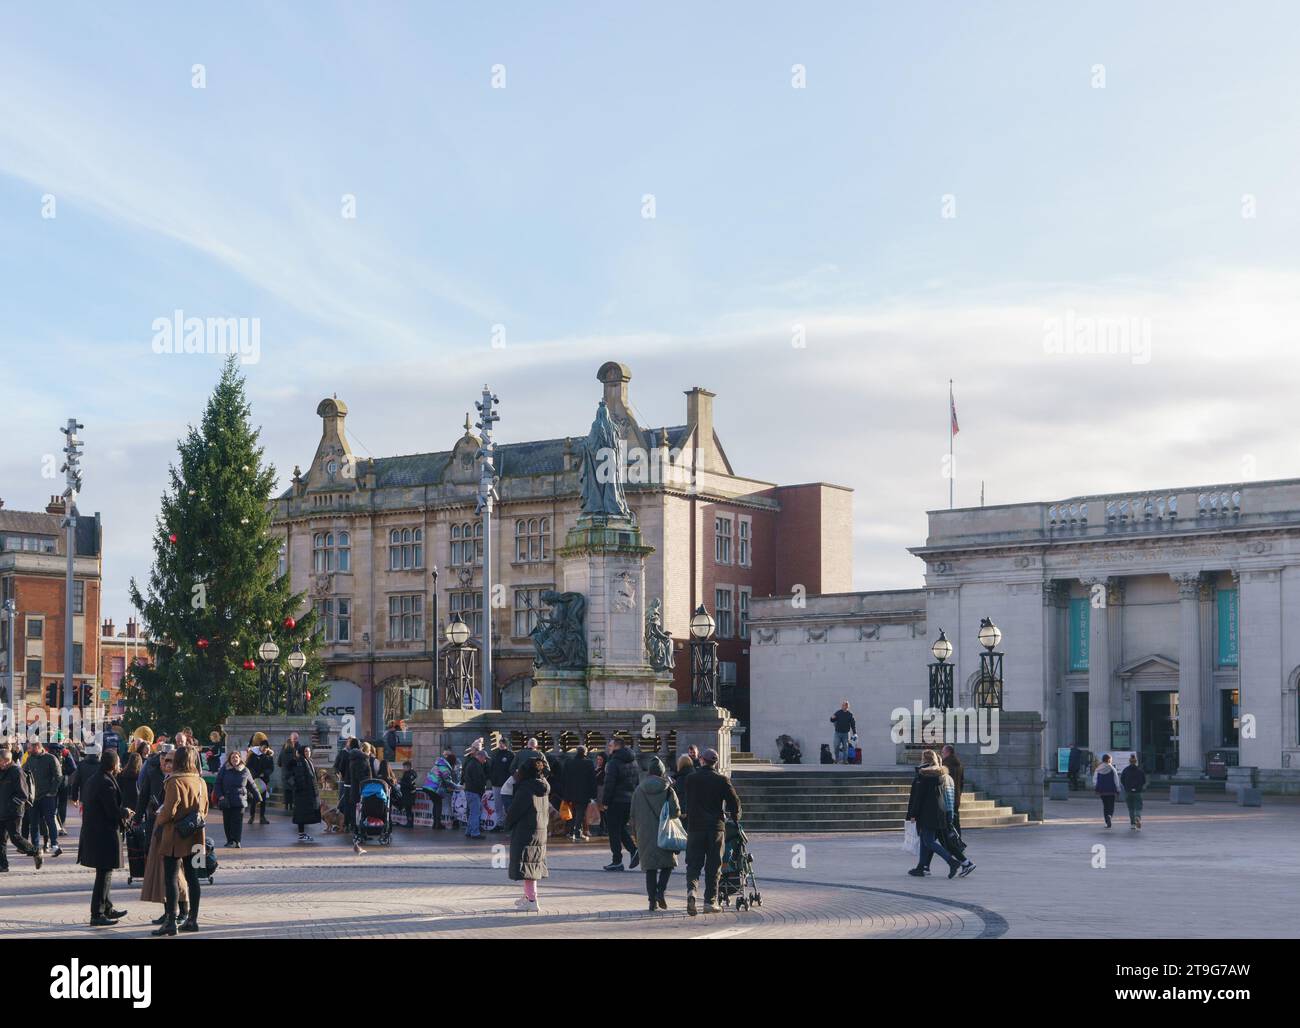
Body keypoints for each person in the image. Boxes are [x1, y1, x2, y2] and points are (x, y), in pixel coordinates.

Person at [152, 745, 209, 936]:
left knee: (171, 878)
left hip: (175, 836)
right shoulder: (201, 781)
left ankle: (171, 921)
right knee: (193, 878)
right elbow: (205, 809)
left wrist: (158, 819)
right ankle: (192, 919)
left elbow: (169, 811)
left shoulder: (173, 782)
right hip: (195, 835)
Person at [77, 749, 131, 926]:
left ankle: (107, 907)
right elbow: (112, 811)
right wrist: (126, 812)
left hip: (95, 833)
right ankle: (97, 913)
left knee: (105, 872)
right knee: (104, 874)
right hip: (103, 835)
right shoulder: (105, 782)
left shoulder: (95, 778)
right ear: (114, 764)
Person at [683, 749, 740, 915]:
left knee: (693, 864)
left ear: (701, 760)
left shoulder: (690, 779)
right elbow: (734, 802)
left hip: (695, 828)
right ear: (716, 763)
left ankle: (692, 892)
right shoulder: (722, 780)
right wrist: (736, 817)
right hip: (715, 828)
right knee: (713, 866)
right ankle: (709, 901)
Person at [906, 749, 974, 879]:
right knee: (927, 840)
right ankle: (922, 867)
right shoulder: (941, 776)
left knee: (929, 841)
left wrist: (913, 814)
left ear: (924, 760)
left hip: (926, 814)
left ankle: (952, 862)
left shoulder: (923, 776)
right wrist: (949, 813)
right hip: (940, 813)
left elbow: (918, 797)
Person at [631, 758, 681, 912]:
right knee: (668, 865)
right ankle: (661, 891)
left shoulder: (639, 790)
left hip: (644, 833)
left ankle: (652, 901)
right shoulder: (668, 789)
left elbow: (632, 815)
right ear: (661, 772)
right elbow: (676, 812)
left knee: (650, 869)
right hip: (664, 832)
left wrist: (635, 834)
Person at [504, 756, 549, 912]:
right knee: (532, 864)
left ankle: (532, 899)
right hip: (539, 830)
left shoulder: (526, 788)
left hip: (526, 830)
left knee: (528, 865)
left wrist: (507, 824)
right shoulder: (542, 785)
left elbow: (515, 811)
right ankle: (529, 895)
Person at [0, 746, 43, 871]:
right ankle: (3, 865)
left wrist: (10, 806)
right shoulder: (2, 771)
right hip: (2, 811)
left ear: (7, 761)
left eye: (1, 762)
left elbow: (23, 794)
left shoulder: (16, 772)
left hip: (13, 812)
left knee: (15, 838)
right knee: (1, 840)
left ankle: (36, 851)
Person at [600, 737, 639, 871]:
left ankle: (617, 861)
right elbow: (637, 781)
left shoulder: (613, 763)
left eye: (610, 746)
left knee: (613, 831)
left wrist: (605, 802)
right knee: (620, 828)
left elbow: (609, 784)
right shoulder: (633, 761)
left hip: (615, 801)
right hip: (629, 800)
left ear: (617, 747)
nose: (608, 748)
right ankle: (634, 851)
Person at [25, 740, 63, 856]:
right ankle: (35, 848)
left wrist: (52, 792)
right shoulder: (30, 759)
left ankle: (54, 845)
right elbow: (23, 773)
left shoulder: (50, 758)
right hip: (33, 797)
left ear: (37, 747)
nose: (28, 750)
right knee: (34, 823)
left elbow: (58, 776)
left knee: (50, 821)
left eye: (30, 747)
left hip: (47, 796)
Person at [214, 751, 255, 847]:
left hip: (239, 800)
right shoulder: (224, 769)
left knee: (237, 822)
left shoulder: (245, 770)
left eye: (236, 757)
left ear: (240, 759)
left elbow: (252, 784)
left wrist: (258, 797)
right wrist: (220, 796)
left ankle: (237, 841)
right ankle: (229, 840)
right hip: (226, 800)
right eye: (233, 757)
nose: (235, 759)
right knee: (227, 822)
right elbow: (217, 783)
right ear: (229, 759)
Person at [561, 745, 597, 841]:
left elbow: (564, 778)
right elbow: (592, 780)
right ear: (585, 753)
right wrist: (593, 794)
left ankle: (573, 832)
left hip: (570, 792)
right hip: (583, 793)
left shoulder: (569, 762)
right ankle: (577, 833)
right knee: (580, 813)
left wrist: (565, 793)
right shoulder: (588, 763)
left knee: (574, 813)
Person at [292, 746, 322, 842]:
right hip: (303, 793)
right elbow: (300, 777)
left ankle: (302, 833)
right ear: (302, 752)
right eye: (305, 751)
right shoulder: (301, 762)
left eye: (309, 751)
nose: (308, 752)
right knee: (301, 814)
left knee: (304, 814)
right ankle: (301, 834)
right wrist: (304, 788)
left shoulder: (308, 761)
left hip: (306, 792)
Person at [462, 740, 488, 839]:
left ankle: (469, 831)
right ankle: (475, 832)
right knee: (475, 813)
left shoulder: (471, 763)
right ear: (480, 756)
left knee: (472, 812)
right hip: (474, 792)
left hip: (470, 791)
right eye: (485, 758)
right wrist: (481, 790)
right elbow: (478, 781)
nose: (485, 761)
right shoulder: (476, 765)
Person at [487, 736, 513, 829]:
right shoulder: (495, 754)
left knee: (507, 805)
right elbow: (491, 768)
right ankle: (499, 823)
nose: (501, 745)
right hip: (496, 784)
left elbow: (512, 770)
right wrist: (492, 778)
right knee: (497, 805)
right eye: (500, 743)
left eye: (503, 743)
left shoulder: (510, 755)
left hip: (506, 785)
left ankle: (508, 823)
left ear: (506, 744)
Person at [246, 742, 274, 825]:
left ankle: (262, 817)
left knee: (263, 800)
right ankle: (252, 816)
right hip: (254, 780)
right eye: (263, 747)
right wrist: (255, 775)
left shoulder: (269, 757)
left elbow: (271, 768)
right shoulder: (253, 755)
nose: (265, 749)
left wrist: (265, 773)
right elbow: (248, 767)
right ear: (260, 747)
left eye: (266, 748)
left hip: (264, 781)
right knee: (254, 799)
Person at [941, 744, 965, 834]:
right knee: (956, 819)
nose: (942, 754)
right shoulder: (960, 765)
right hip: (956, 796)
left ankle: (950, 842)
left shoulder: (944, 765)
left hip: (947, 797)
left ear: (947, 752)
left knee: (947, 821)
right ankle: (958, 839)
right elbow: (962, 782)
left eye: (943, 752)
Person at [1119, 754, 1147, 830]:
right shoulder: (1140, 771)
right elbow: (1144, 781)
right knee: (1138, 807)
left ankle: (1132, 824)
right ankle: (1137, 817)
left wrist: (1126, 787)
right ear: (1136, 762)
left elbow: (1122, 780)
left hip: (1128, 791)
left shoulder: (1125, 770)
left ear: (1129, 762)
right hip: (1138, 792)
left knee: (1131, 808)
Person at [1095, 753, 1121, 828]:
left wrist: (1097, 786)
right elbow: (1116, 780)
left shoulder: (1098, 768)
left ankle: (1106, 821)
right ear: (1109, 760)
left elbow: (1095, 779)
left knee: (1105, 805)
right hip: (1111, 790)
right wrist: (1118, 789)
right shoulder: (1112, 769)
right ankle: (1109, 815)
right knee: (1111, 805)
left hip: (1102, 790)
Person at [278, 733, 301, 813]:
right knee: (293, 790)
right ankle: (292, 805)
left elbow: (279, 763)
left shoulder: (283, 750)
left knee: (286, 790)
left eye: (296, 738)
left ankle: (287, 805)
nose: (295, 740)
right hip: (293, 774)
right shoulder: (295, 752)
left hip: (285, 774)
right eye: (294, 739)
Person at [672, 754, 693, 822]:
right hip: (694, 809)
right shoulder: (694, 773)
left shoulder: (681, 778)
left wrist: (683, 811)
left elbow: (682, 794)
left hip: (685, 813)